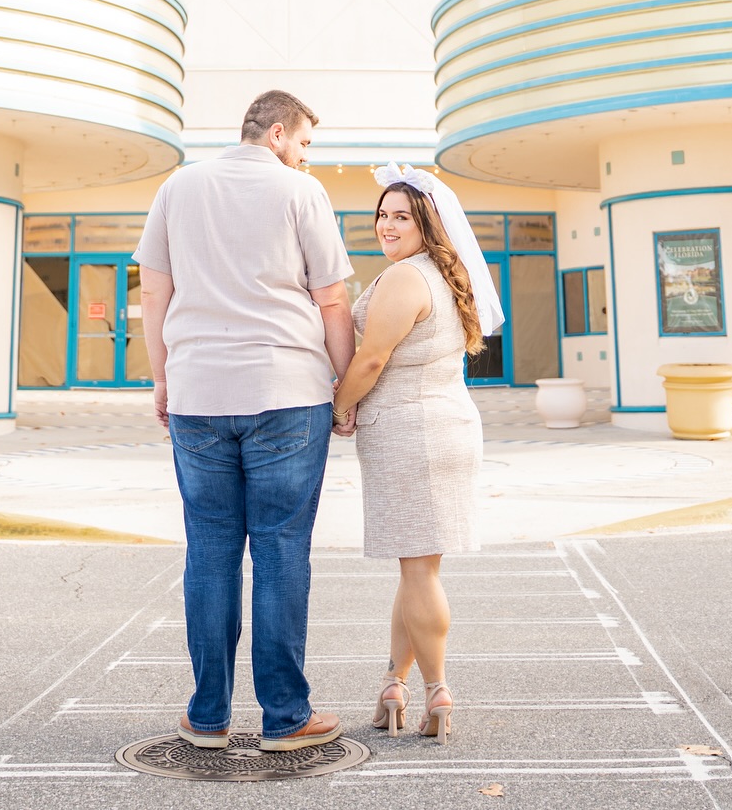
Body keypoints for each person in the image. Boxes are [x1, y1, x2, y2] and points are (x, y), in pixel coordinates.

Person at [136, 89, 356, 752]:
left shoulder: (179, 187)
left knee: (209, 553)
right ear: (279, 132)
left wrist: (163, 375)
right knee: (281, 549)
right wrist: (344, 384)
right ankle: (286, 717)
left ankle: (207, 715)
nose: (307, 156)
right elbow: (333, 295)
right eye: (306, 143)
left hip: (200, 393)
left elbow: (152, 289)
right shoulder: (299, 192)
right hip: (286, 391)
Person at [331, 163, 504, 740]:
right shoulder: (442, 275)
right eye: (382, 214)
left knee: (419, 569)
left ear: (427, 222)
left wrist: (339, 406)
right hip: (444, 425)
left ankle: (437, 691)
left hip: (410, 434)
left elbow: (372, 358)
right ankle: (392, 683)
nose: (386, 224)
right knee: (417, 567)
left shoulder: (406, 278)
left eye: (401, 216)